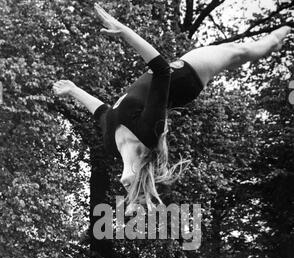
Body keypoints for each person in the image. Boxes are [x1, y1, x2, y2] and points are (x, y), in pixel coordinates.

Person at [53, 4, 291, 214]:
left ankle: (274, 43)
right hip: (187, 75)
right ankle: (281, 34)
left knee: (235, 52)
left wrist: (73, 90)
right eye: (135, 190)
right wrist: (125, 32)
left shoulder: (111, 144)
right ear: (143, 177)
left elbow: (102, 111)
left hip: (175, 71)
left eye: (127, 193)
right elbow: (161, 71)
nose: (125, 186)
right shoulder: (147, 134)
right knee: (241, 51)